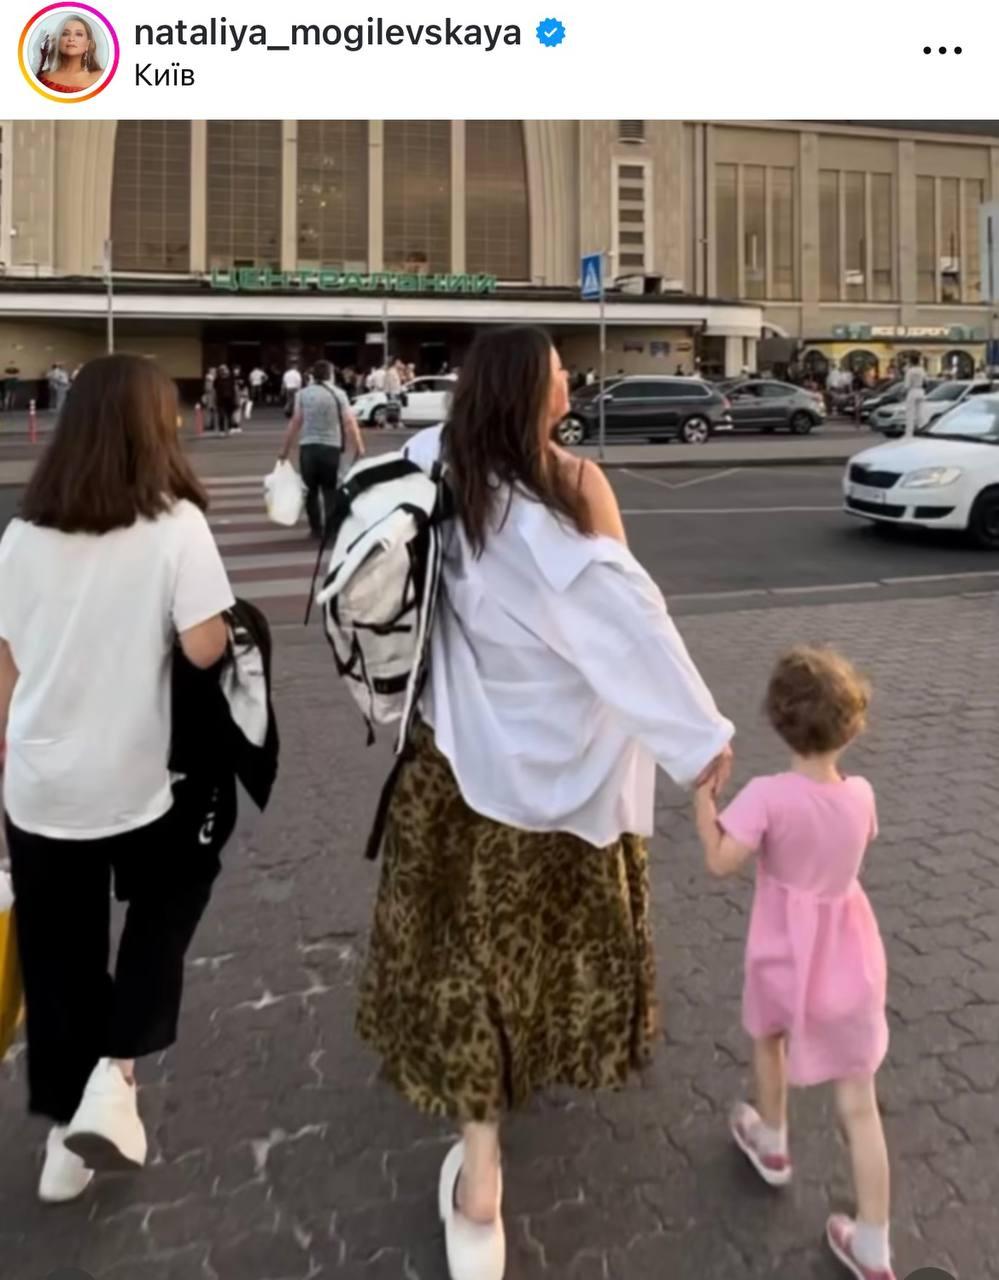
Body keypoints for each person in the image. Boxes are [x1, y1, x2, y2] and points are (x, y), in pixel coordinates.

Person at [356, 326, 734, 1280]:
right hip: (557, 785)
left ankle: (477, 1179)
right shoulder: (569, 490)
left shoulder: (432, 468)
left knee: (462, 964)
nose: (572, 379)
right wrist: (701, 740)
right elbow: (620, 620)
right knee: (533, 954)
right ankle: (486, 1171)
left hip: (450, 772)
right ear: (537, 395)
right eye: (561, 370)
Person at [0, 354, 234, 1204]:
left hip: (39, 783)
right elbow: (207, 645)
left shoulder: (20, 536)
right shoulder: (175, 526)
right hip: (139, 779)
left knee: (58, 959)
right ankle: (116, 1072)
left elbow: (7, 666)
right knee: (172, 897)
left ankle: (67, 1137)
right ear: (151, 428)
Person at [694, 648, 893, 1280]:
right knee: (860, 1106)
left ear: (779, 723)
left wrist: (704, 801)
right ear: (850, 725)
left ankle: (774, 1140)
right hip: (849, 962)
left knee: (769, 1039)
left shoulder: (766, 797)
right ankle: (873, 1245)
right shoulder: (861, 795)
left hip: (783, 955)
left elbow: (722, 861)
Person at [278, 359, 365, 540]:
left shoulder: (302, 394)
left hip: (308, 448)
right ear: (330, 375)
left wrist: (285, 450)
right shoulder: (339, 394)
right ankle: (331, 531)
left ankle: (315, 529)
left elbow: (295, 422)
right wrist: (359, 445)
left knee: (310, 491)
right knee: (330, 491)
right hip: (331, 448)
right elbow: (349, 422)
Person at [35, 14, 104, 94]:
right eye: (65, 34)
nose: (71, 39)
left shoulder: (101, 77)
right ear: (57, 41)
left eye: (78, 34)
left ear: (87, 44)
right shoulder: (42, 77)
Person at [902, 357, 926, 438]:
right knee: (920, 413)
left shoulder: (910, 371)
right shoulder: (922, 370)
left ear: (911, 362)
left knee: (910, 414)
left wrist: (903, 392)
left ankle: (909, 434)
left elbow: (907, 385)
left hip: (912, 391)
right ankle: (921, 430)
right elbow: (926, 381)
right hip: (921, 391)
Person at [214, 365, 237, 437]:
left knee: (229, 416)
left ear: (228, 371)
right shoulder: (217, 380)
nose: (224, 371)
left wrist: (235, 400)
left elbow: (234, 390)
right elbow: (214, 390)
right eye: (222, 370)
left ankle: (230, 429)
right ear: (220, 371)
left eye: (225, 369)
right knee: (221, 415)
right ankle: (221, 430)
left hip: (230, 400)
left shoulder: (231, 379)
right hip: (220, 400)